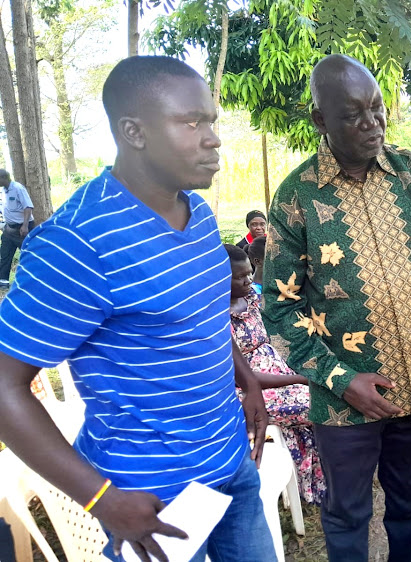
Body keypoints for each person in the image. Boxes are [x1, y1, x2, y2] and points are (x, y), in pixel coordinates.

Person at [0, 56, 275, 562]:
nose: (212, 138)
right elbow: (3, 386)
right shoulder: (77, 243)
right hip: (153, 501)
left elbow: (201, 314)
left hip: (231, 460)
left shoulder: (198, 211)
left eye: (210, 121)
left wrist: (247, 378)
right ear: (134, 132)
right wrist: (103, 499)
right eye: (191, 123)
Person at [262, 54, 411, 561]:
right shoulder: (296, 197)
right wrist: (340, 379)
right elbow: (279, 310)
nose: (373, 123)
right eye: (353, 113)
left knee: (410, 511)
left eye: (378, 108)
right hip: (342, 404)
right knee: (346, 517)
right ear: (321, 120)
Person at [225, 243, 326, 505]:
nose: (248, 280)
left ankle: (324, 478)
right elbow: (247, 379)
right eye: (239, 276)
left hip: (280, 372)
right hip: (250, 392)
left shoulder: (252, 300)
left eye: (249, 273)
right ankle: (319, 481)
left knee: (327, 387)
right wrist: (301, 378)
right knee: (315, 404)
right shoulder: (215, 320)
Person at [0, 169, 35, 288]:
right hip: (9, 229)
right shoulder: (3, 190)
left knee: (28, 254)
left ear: (3, 178)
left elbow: (28, 207)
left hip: (22, 228)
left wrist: (25, 226)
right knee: (4, 255)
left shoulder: (18, 188)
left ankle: (34, 279)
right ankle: (3, 281)